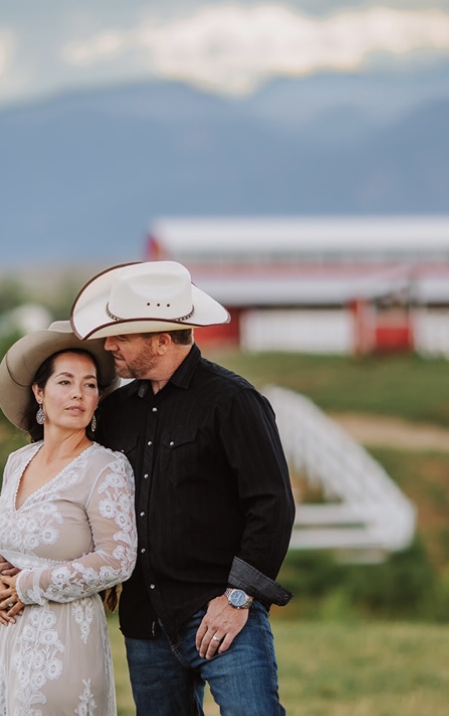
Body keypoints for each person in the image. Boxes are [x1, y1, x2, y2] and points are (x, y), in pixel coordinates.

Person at [70, 260, 296, 715]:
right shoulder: (114, 413)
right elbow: (77, 484)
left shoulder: (233, 402)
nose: (108, 344)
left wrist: (236, 600)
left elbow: (272, 506)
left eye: (122, 335)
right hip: (144, 624)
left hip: (221, 615)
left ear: (161, 339)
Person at [0, 321, 137, 716]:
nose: (79, 393)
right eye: (65, 382)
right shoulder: (18, 462)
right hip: (6, 642)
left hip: (64, 644)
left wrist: (29, 585)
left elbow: (118, 557)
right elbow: (1, 545)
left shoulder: (105, 468)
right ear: (39, 393)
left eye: (90, 384)